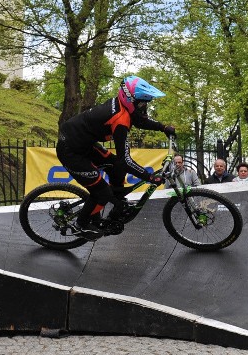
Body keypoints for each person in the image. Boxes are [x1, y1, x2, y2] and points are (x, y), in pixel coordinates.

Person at [56, 75, 174, 239]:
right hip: (71, 151)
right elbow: (126, 160)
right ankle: (80, 225)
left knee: (116, 168)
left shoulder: (123, 106)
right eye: (141, 103)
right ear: (130, 99)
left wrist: (163, 127)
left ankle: (115, 200)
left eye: (145, 103)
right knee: (102, 190)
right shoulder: (120, 120)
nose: (144, 106)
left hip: (82, 144)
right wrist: (149, 177)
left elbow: (139, 120)